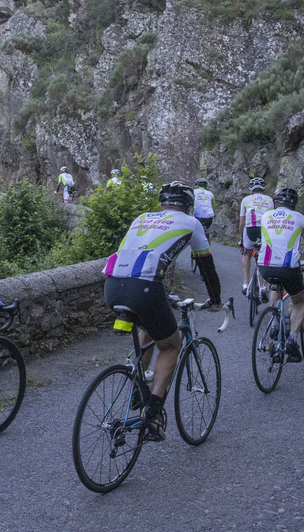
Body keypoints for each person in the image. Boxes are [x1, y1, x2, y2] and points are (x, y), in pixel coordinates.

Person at [102, 182, 222, 442]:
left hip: (112, 285)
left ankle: (138, 387)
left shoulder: (141, 218)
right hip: (144, 288)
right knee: (170, 345)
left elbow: (135, 255)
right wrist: (215, 299)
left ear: (161, 204)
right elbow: (206, 266)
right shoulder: (192, 223)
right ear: (189, 206)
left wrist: (162, 296)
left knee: (150, 327)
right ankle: (153, 414)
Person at [257, 187, 304, 363]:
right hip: (288, 267)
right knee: (300, 300)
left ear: (276, 203)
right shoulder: (300, 218)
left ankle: (274, 325)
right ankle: (291, 340)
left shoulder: (266, 216)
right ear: (294, 204)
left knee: (276, 286)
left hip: (264, 266)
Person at [238, 177, 274, 298]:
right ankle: (264, 286)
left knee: (247, 254)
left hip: (250, 228)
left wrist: (241, 239)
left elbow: (241, 222)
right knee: (266, 255)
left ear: (250, 190)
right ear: (264, 189)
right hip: (265, 229)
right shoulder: (270, 200)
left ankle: (245, 283)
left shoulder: (246, 199)